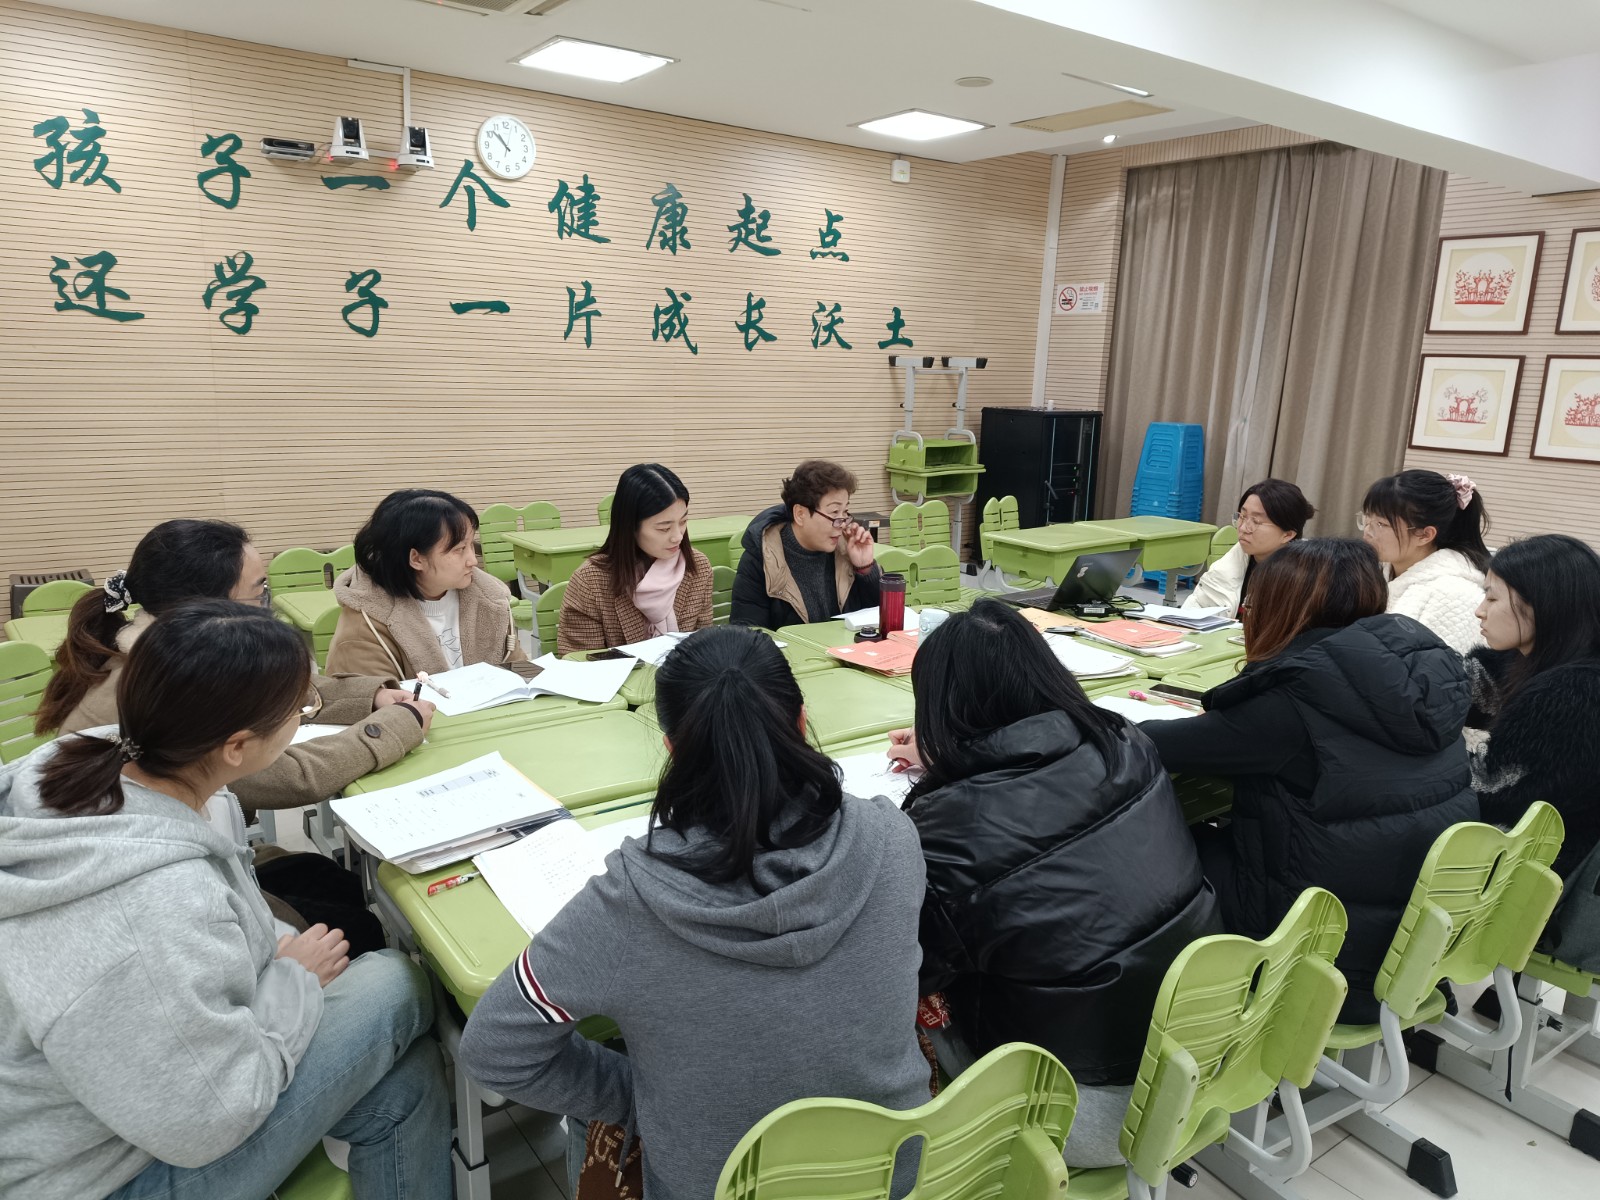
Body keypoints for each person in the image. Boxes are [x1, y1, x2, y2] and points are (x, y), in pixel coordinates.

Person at [458, 625, 929, 1200]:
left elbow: (494, 1049)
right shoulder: (892, 835)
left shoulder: (628, 903)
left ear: (672, 750)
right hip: (895, 1177)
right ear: (802, 721)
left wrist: (638, 1096)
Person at [0, 600, 449, 1200]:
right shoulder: (149, 907)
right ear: (237, 747)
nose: (301, 720)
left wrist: (278, 964)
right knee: (395, 982)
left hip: (119, 1109)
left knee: (405, 1083)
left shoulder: (98, 761)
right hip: (100, 1175)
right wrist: (293, 982)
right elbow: (207, 1120)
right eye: (298, 712)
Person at [882, 600, 1221, 1167]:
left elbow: (909, 972)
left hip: (1078, 1106)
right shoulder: (1122, 740)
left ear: (941, 709)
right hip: (1198, 1052)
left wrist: (947, 772)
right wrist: (951, 759)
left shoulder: (949, 828)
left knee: (902, 988)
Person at [32, 518, 425, 953]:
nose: (266, 601)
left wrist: (370, 696)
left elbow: (278, 683)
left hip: (210, 858)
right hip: (180, 897)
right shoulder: (165, 693)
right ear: (208, 606)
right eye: (258, 592)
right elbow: (292, 776)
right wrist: (396, 725)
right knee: (365, 933)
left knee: (336, 883)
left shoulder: (160, 654)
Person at [1145, 539, 1476, 1022]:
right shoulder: (1420, 669)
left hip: (1324, 952)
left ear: (1281, 607)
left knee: (1153, 846)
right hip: (1414, 941)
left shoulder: (1293, 698)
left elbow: (1151, 745)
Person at [1467, 534, 1600, 881]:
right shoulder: (1523, 661)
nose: (1480, 610)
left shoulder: (1574, 695)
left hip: (1534, 880)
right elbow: (1457, 695)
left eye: (1492, 597)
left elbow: (1490, 792)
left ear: (1541, 605)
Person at [327, 488, 527, 678]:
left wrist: (538, 680)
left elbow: (521, 671)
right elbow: (374, 698)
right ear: (416, 559)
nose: (473, 561)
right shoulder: (364, 626)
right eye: (459, 549)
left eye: (471, 545)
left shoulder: (489, 600)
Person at [558, 464, 712, 655]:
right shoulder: (591, 581)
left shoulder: (697, 567)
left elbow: (705, 647)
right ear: (630, 526)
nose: (677, 536)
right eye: (664, 528)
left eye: (683, 522)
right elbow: (579, 660)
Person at [730, 459, 881, 628]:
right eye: (834, 512)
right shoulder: (762, 558)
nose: (842, 523)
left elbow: (880, 617)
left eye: (845, 512)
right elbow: (747, 630)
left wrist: (865, 569)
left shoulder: (845, 550)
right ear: (800, 514)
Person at [1360, 469, 1490, 654]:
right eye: (1366, 518)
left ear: (1424, 535)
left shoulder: (1454, 595)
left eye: (1381, 524)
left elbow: (1442, 669)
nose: (1367, 531)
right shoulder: (1374, 572)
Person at [1184, 478, 1316, 618]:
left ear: (1287, 534)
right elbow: (1193, 610)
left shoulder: (1306, 579)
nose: (1243, 528)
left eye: (1256, 521)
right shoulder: (1228, 565)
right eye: (1242, 516)